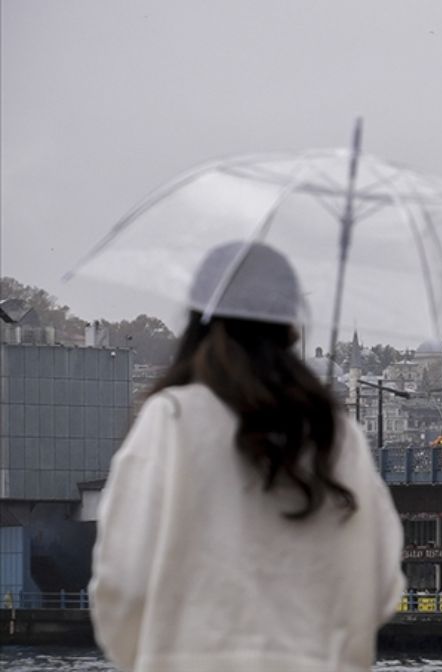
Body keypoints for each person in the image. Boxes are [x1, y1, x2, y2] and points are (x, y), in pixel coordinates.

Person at [89, 241, 404, 672]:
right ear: (289, 325)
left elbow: (121, 579)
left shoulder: (172, 420)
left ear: (202, 320)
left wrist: (150, 653)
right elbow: (382, 585)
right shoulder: (338, 436)